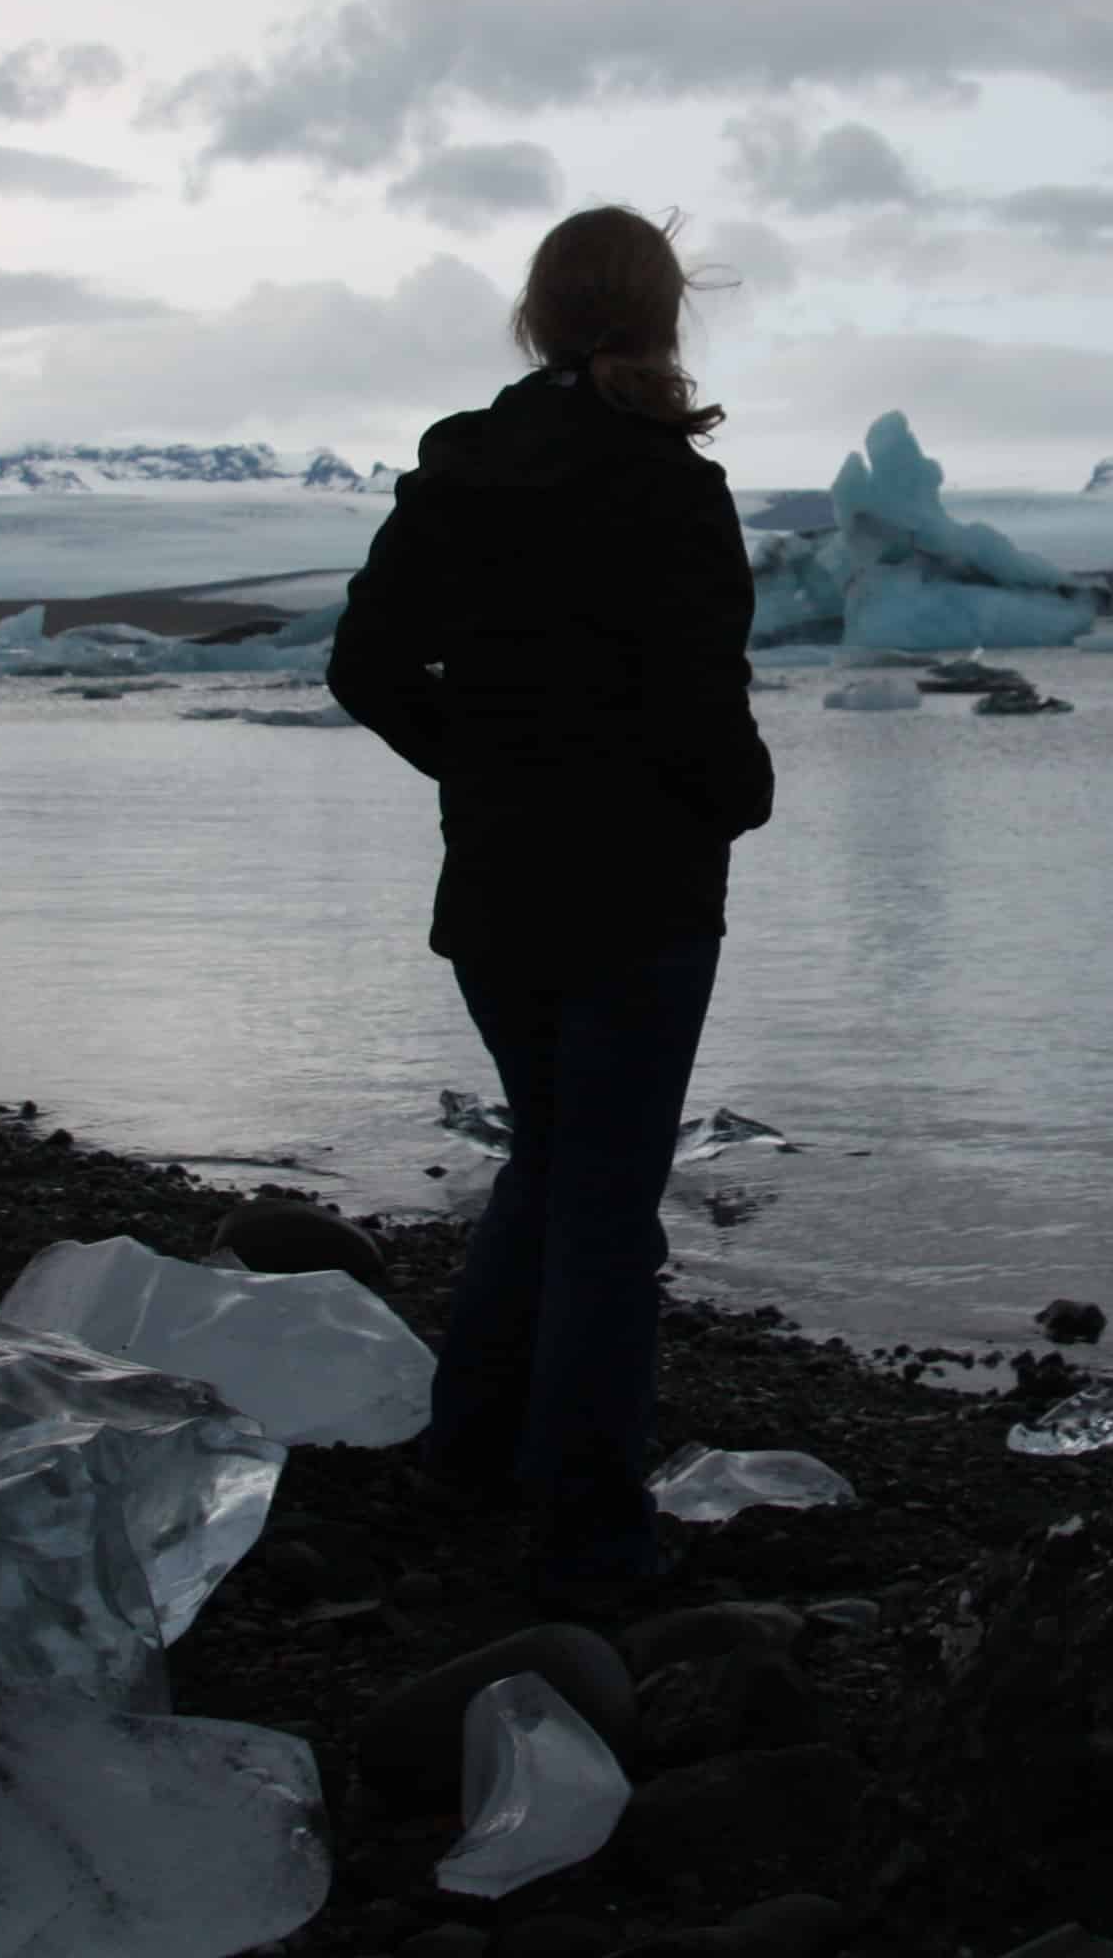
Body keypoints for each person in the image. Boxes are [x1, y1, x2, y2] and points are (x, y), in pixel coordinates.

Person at [329, 204, 778, 1607]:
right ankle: (589, 1528)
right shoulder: (664, 481)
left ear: (537, 312)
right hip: (643, 886)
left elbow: (365, 666)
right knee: (603, 1202)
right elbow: (702, 694)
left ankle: (470, 1449)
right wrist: (733, 795)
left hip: (503, 880)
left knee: (550, 1161)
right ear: (662, 316)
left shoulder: (460, 469)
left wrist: (480, 762)